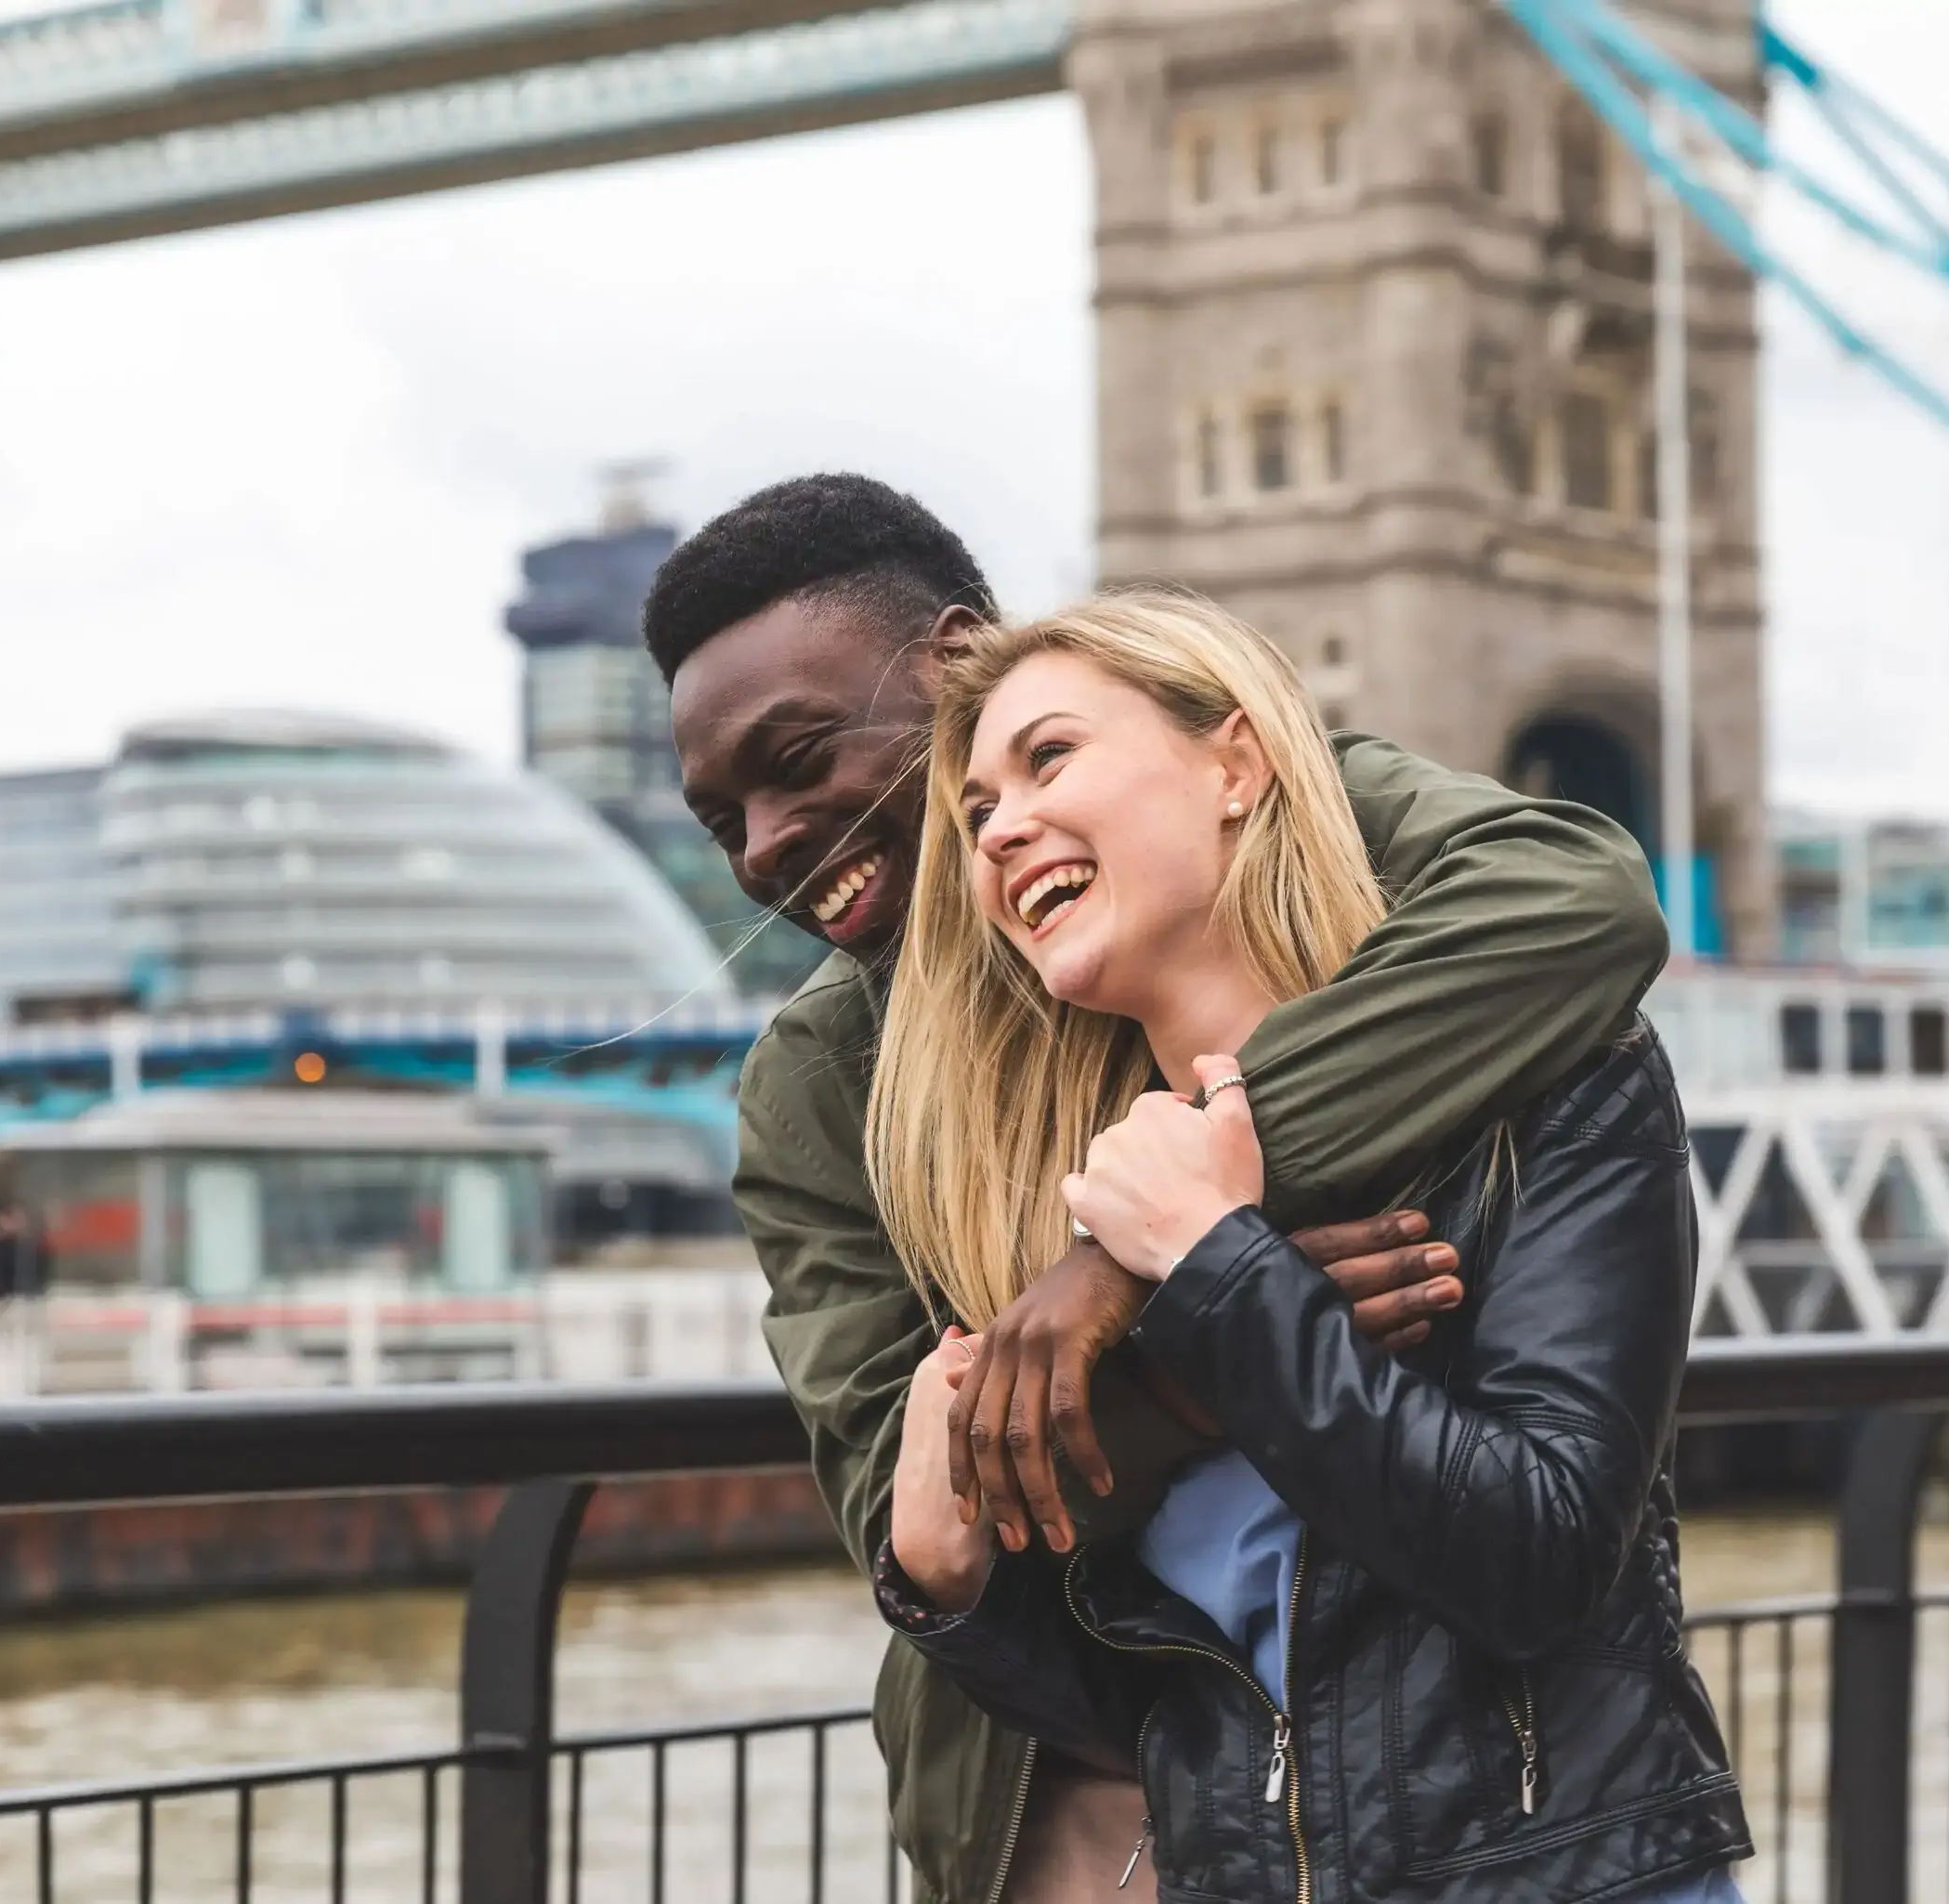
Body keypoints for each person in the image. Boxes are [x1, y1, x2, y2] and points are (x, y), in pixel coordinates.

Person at [651, 475, 1671, 1903]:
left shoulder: (1239, 787)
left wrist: (1136, 1258)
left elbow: (1585, 901)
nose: (763, 844)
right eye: (720, 820)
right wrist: (1190, 1347)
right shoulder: (823, 1077)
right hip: (1066, 1788)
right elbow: (928, 1528)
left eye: (798, 754)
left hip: (1450, 1802)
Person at [870, 593, 1747, 1900]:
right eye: (978, 807)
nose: (998, 826)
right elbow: (1154, 1711)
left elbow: (1542, 1562)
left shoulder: (1558, 1083)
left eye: (1047, 758)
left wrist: (1217, 1262)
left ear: (1236, 765)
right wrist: (946, 1581)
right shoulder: (1079, 1210)